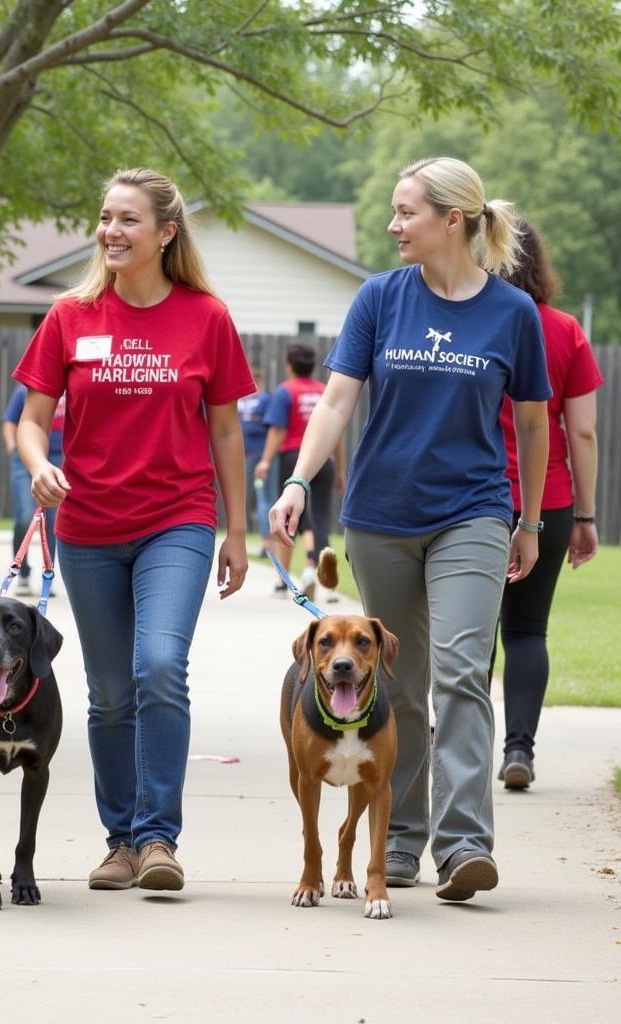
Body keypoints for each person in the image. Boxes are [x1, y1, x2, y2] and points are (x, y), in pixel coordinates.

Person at [271, 156, 550, 903]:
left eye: (405, 212)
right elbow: (334, 402)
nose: (393, 226)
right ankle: (398, 841)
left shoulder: (511, 314)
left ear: (450, 220)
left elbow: (531, 420)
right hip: (381, 515)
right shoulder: (379, 299)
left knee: (462, 671)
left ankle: (464, 847)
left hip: (475, 510)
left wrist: (531, 517)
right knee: (399, 680)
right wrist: (299, 479)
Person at [13, 167, 256, 893]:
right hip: (88, 525)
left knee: (158, 666)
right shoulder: (70, 315)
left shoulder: (205, 316)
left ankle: (159, 839)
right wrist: (39, 465)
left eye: (128, 220)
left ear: (165, 233)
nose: (111, 231)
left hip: (176, 520)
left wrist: (237, 532)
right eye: (105, 217)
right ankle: (119, 839)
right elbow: (29, 420)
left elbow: (225, 431)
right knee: (110, 691)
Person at [493, 218, 603, 790]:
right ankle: (519, 750)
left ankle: (446, 736)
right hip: (550, 501)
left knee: (469, 630)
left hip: (473, 499)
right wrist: (585, 515)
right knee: (528, 630)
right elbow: (581, 433)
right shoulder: (564, 330)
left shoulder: (476, 321)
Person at [255, 342, 343, 600]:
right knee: (321, 518)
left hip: (294, 459)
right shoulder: (323, 392)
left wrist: (265, 461)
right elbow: (335, 434)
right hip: (325, 460)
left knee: (289, 518)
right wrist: (340, 469)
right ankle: (325, 584)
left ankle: (284, 581)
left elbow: (278, 430)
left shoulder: (285, 391)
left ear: (289, 366)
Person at [1, 383, 65, 595]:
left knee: (53, 522)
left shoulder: (71, 392)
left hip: (58, 458)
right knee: (24, 517)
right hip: (25, 459)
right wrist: (12, 449)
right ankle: (23, 573)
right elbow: (10, 422)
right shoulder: (24, 391)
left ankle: (48, 573)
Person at [238, 367, 276, 559]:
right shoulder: (257, 400)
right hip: (254, 457)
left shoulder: (245, 401)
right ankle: (265, 543)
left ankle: (266, 543)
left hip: (254, 456)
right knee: (262, 499)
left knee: (261, 499)